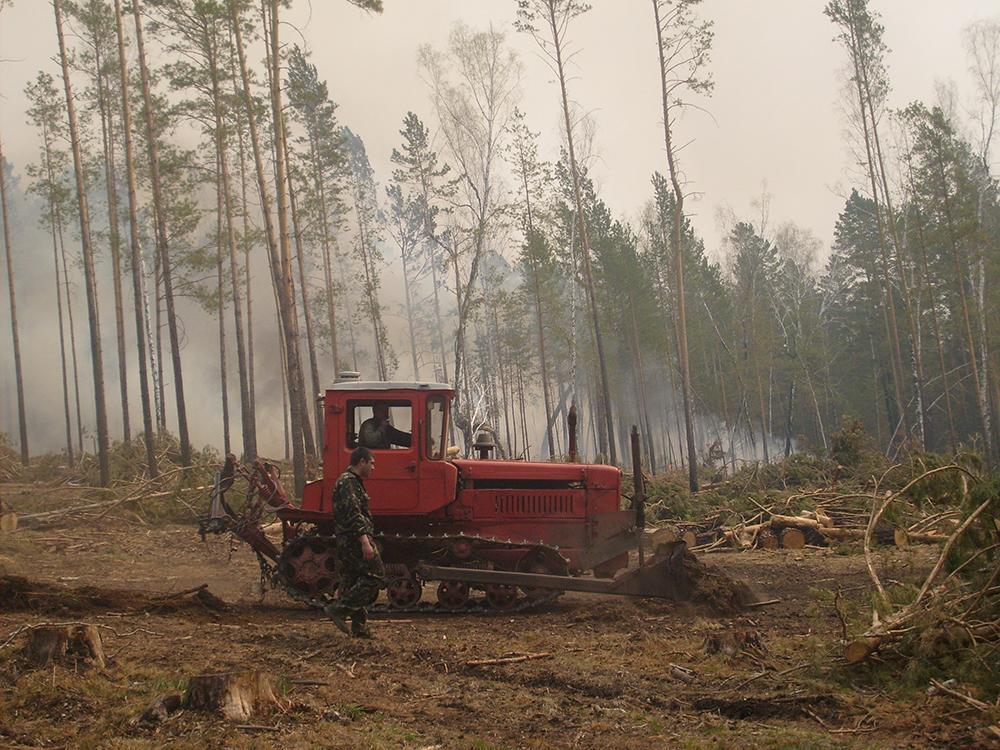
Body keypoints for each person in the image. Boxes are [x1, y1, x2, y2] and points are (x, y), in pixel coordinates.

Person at [324, 446, 384, 637]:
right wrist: (364, 541)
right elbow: (353, 513)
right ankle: (339, 610)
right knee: (376, 575)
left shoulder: (351, 481)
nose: (373, 468)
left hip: (348, 539)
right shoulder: (348, 482)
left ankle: (359, 627)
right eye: (372, 463)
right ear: (362, 462)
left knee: (352, 581)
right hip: (354, 540)